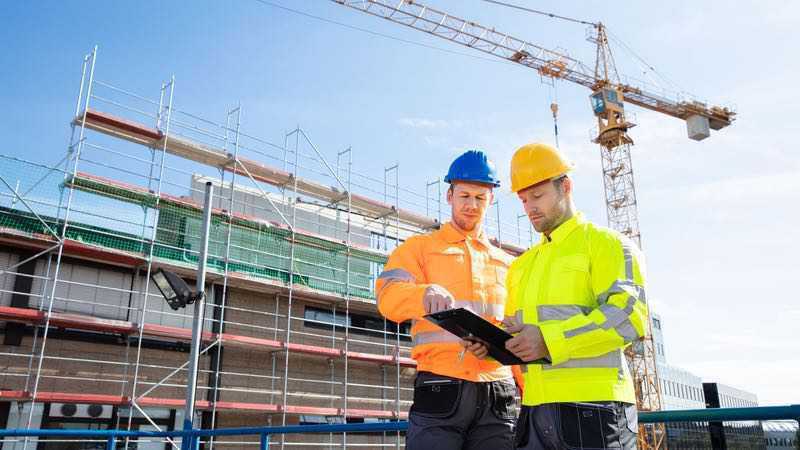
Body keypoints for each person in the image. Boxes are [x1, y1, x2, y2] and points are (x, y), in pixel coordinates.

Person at [469, 142, 648, 449]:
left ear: (566, 186)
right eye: (524, 200)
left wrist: (549, 340)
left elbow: (628, 318)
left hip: (596, 409)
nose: (530, 207)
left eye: (537, 196)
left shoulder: (607, 244)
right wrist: (492, 344)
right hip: (535, 411)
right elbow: (519, 332)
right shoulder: (522, 265)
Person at [376, 150, 522, 450]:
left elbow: (518, 332)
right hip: (442, 386)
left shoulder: (508, 264)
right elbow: (387, 298)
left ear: (490, 201)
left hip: (499, 394)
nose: (471, 205)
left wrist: (528, 389)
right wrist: (423, 293)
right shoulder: (419, 249)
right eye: (464, 196)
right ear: (449, 196)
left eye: (480, 198)